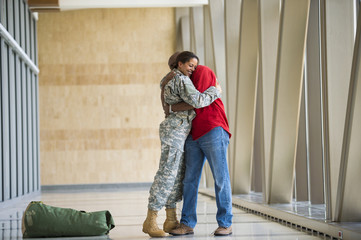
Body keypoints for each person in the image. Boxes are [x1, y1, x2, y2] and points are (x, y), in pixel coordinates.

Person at [142, 52, 222, 237]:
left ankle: (171, 220)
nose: (192, 69)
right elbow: (199, 101)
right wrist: (215, 90)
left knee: (177, 176)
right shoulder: (182, 80)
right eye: (190, 65)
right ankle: (150, 219)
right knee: (167, 174)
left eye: (195, 66)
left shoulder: (171, 78)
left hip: (179, 132)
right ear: (179, 64)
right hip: (174, 132)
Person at [167, 65, 233, 236]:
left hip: (213, 129)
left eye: (184, 65)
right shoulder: (179, 79)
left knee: (220, 178)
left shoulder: (202, 71)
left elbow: (197, 100)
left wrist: (175, 107)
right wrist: (174, 106)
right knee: (189, 181)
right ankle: (187, 223)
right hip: (193, 134)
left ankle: (225, 223)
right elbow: (171, 104)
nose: (178, 70)